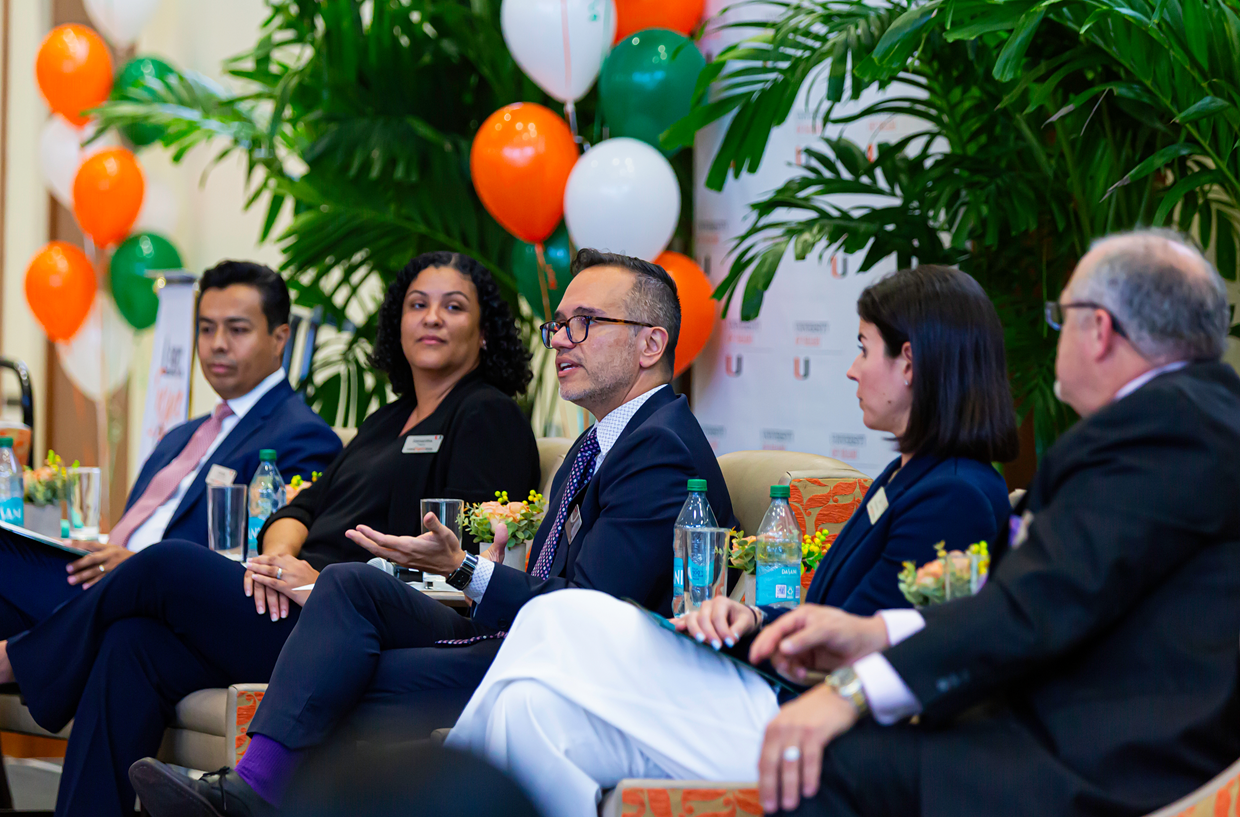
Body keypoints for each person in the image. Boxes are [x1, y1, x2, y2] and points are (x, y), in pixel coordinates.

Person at [128, 248, 737, 817]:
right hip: (523, 636)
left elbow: (589, 609)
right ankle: (251, 791)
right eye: (558, 325)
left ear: (651, 343)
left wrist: (469, 570)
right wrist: (476, 567)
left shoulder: (659, 449)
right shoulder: (602, 439)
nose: (560, 341)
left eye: (584, 323)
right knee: (349, 584)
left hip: (574, 669)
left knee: (342, 676)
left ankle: (251, 795)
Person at [442, 263, 1023, 817]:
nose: (851, 369)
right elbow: (837, 619)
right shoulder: (910, 477)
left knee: (563, 615)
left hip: (810, 722)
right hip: (774, 692)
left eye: (864, 348)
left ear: (911, 365)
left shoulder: (955, 493)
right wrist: (750, 619)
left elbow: (894, 649)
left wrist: (760, 633)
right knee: (529, 710)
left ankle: (425, 793)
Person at [0, 251, 540, 817]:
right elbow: (303, 507)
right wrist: (279, 558)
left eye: (453, 307)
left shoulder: (486, 416)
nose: (431, 318)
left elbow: (466, 561)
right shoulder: (387, 420)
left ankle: (18, 658)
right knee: (132, 645)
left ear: (484, 336)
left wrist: (320, 580)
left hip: (347, 624)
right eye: (417, 305)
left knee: (166, 564)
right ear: (396, 323)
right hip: (287, 600)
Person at [0, 261, 342, 640]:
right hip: (97, 579)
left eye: (237, 329)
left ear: (280, 339)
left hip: (162, 602)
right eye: (206, 328)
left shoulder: (303, 435)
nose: (217, 344)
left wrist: (136, 568)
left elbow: (254, 564)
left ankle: (18, 659)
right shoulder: (182, 435)